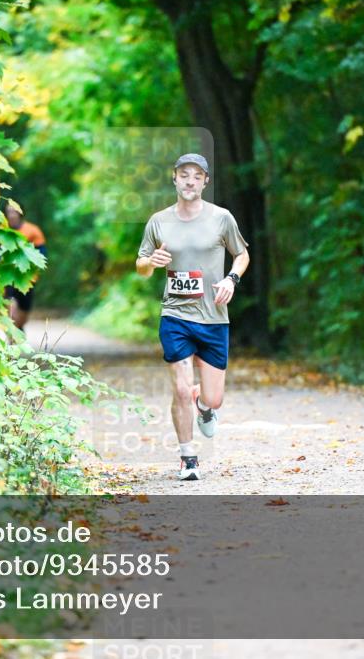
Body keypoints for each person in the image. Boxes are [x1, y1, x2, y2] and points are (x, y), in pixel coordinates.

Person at [135, 153, 250, 481]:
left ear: (205, 182)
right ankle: (188, 457)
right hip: (175, 315)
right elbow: (141, 266)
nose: (189, 180)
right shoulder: (159, 221)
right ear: (174, 178)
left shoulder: (221, 218)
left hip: (213, 317)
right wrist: (151, 262)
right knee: (181, 390)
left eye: (196, 176)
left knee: (213, 397)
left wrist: (231, 279)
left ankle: (204, 403)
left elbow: (241, 254)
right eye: (183, 174)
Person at [3, 203, 46, 330]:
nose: (11, 214)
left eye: (14, 211)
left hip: (27, 277)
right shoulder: (1, 230)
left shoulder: (33, 231)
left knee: (24, 309)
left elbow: (42, 254)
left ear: (20, 213)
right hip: (8, 275)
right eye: (8, 211)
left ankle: (19, 328)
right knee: (10, 302)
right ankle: (11, 335)